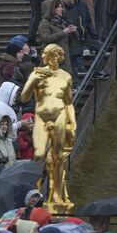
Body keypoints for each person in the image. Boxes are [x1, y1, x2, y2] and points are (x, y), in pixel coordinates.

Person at [21, 43, 76, 213]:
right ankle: (35, 197)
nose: (53, 59)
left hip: (60, 117)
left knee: (59, 158)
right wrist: (34, 82)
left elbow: (69, 103)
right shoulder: (37, 73)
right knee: (38, 155)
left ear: (60, 57)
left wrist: (72, 123)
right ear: (45, 57)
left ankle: (57, 196)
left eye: (56, 56)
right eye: (50, 56)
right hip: (41, 118)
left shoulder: (66, 76)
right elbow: (24, 98)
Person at [62, 0, 100, 76]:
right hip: (73, 37)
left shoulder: (82, 4)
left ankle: (96, 70)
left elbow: (87, 19)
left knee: (100, 46)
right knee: (73, 62)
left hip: (84, 33)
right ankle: (75, 83)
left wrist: (93, 32)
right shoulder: (64, 7)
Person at [37, 0, 75, 75]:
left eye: (62, 7)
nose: (62, 9)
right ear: (52, 9)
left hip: (64, 60)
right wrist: (63, 32)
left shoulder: (61, 22)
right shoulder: (44, 23)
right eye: (58, 7)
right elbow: (46, 38)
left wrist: (72, 32)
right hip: (52, 61)